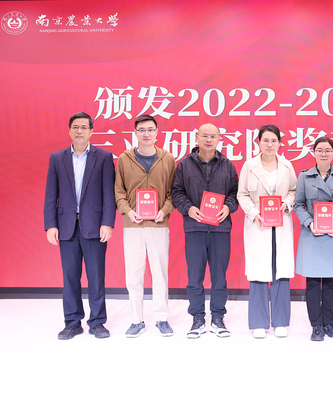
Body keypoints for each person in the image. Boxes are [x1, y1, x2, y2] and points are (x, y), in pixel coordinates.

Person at [44, 112, 116, 340]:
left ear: (91, 131)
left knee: (96, 277)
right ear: (69, 131)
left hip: (94, 226)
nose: (79, 131)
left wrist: (107, 223)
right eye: (75, 127)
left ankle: (97, 322)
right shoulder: (57, 158)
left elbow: (109, 193)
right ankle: (72, 323)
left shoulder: (103, 157)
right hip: (66, 227)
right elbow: (51, 194)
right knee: (70, 278)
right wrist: (50, 225)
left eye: (84, 127)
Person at [171, 123, 239, 339]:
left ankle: (218, 318)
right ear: (197, 138)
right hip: (195, 228)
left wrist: (228, 207)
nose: (209, 140)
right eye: (205, 136)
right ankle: (197, 318)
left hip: (220, 229)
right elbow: (176, 192)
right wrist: (188, 208)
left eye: (213, 136)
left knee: (219, 277)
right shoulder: (184, 165)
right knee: (194, 277)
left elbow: (236, 193)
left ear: (219, 139)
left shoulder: (228, 165)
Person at [115, 115, 176, 338]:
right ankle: (136, 320)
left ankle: (161, 318)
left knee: (160, 274)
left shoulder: (167, 159)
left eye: (150, 130)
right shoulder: (124, 159)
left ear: (157, 132)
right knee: (134, 275)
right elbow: (118, 192)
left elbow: (173, 192)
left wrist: (165, 210)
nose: (146, 134)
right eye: (142, 130)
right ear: (135, 133)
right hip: (133, 225)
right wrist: (128, 211)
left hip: (159, 225)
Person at [237, 124, 297, 339]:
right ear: (258, 142)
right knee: (259, 271)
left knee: (280, 270)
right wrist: (254, 213)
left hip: (281, 224)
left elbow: (294, 190)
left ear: (280, 143)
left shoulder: (287, 166)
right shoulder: (249, 166)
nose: (270, 144)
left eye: (274, 140)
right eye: (266, 140)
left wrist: (286, 204)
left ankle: (280, 322)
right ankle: (259, 323)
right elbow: (242, 194)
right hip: (258, 224)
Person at [294, 137, 333, 341]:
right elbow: (298, 205)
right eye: (319, 150)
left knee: (329, 283)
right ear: (313, 153)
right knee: (312, 283)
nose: (323, 154)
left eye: (328, 150)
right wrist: (309, 223)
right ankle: (316, 325)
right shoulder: (304, 177)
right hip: (312, 234)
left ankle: (329, 323)